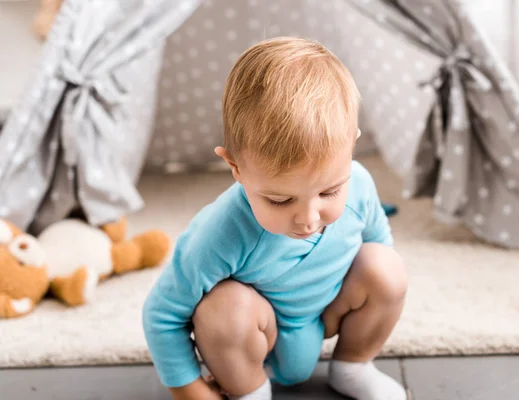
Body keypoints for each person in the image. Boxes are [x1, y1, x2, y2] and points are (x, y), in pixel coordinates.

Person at [142, 36, 408, 400]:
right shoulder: (220, 231)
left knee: (385, 267)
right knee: (222, 310)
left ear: (352, 148)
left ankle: (353, 366)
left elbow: (379, 244)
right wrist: (188, 390)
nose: (309, 219)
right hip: (259, 339)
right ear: (235, 168)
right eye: (280, 199)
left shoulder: (359, 183)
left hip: (324, 315)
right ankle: (250, 390)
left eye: (329, 192)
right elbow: (162, 314)